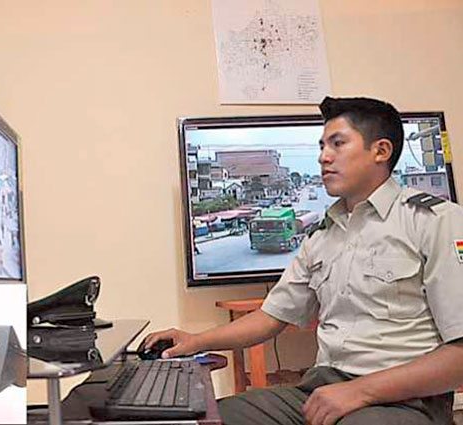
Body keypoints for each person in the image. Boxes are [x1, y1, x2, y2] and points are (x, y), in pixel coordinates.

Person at [144, 97, 463, 425]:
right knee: (206, 418)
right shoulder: (322, 235)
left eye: (338, 143)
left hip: (404, 401)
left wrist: (360, 391)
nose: (324, 156)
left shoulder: (435, 221)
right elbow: (270, 317)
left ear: (381, 151)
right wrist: (194, 341)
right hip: (321, 388)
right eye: (322, 146)